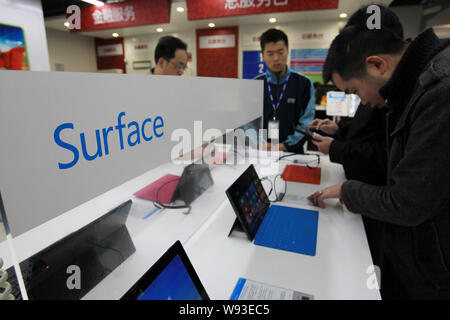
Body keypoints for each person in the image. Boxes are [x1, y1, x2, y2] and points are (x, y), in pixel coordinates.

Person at [308, 14, 450, 299]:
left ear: (376, 65)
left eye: (355, 91)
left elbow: (408, 202)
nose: (363, 102)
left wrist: (348, 190)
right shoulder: (413, 85)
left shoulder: (438, 91)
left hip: (433, 272)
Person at [255, 28, 315, 153]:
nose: (276, 58)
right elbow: (248, 122)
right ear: (263, 55)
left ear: (288, 51)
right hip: (261, 151)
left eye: (280, 52)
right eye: (270, 54)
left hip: (291, 152)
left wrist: (285, 145)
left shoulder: (303, 83)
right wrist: (261, 143)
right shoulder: (254, 84)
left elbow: (307, 121)